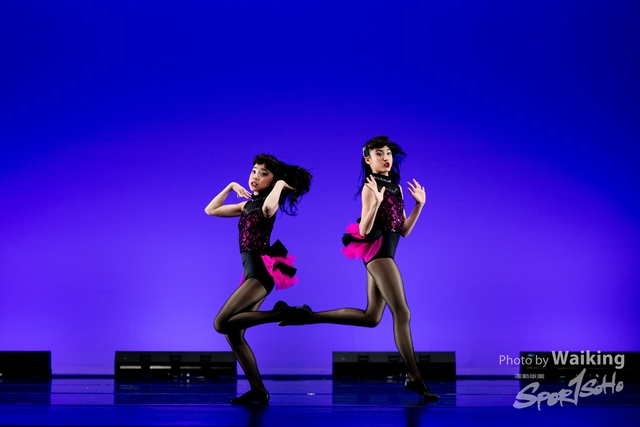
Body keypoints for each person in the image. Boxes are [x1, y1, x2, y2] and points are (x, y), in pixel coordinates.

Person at [281, 136, 439, 400]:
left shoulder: (397, 188)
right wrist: (375, 202)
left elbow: (403, 231)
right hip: (377, 252)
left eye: (388, 153)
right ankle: (415, 378)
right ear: (368, 159)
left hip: (385, 251)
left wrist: (419, 205)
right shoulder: (370, 187)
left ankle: (308, 316)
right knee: (403, 313)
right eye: (379, 153)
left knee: (371, 317)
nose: (386, 157)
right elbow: (364, 230)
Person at [204, 154, 312, 405]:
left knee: (221, 323)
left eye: (264, 174)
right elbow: (211, 210)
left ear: (273, 181)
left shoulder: (268, 203)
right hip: (250, 273)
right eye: (254, 171)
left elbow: (268, 209)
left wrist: (279, 185)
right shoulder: (245, 206)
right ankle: (258, 391)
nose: (255, 176)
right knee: (234, 335)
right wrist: (231, 186)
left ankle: (283, 313)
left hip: (261, 273)